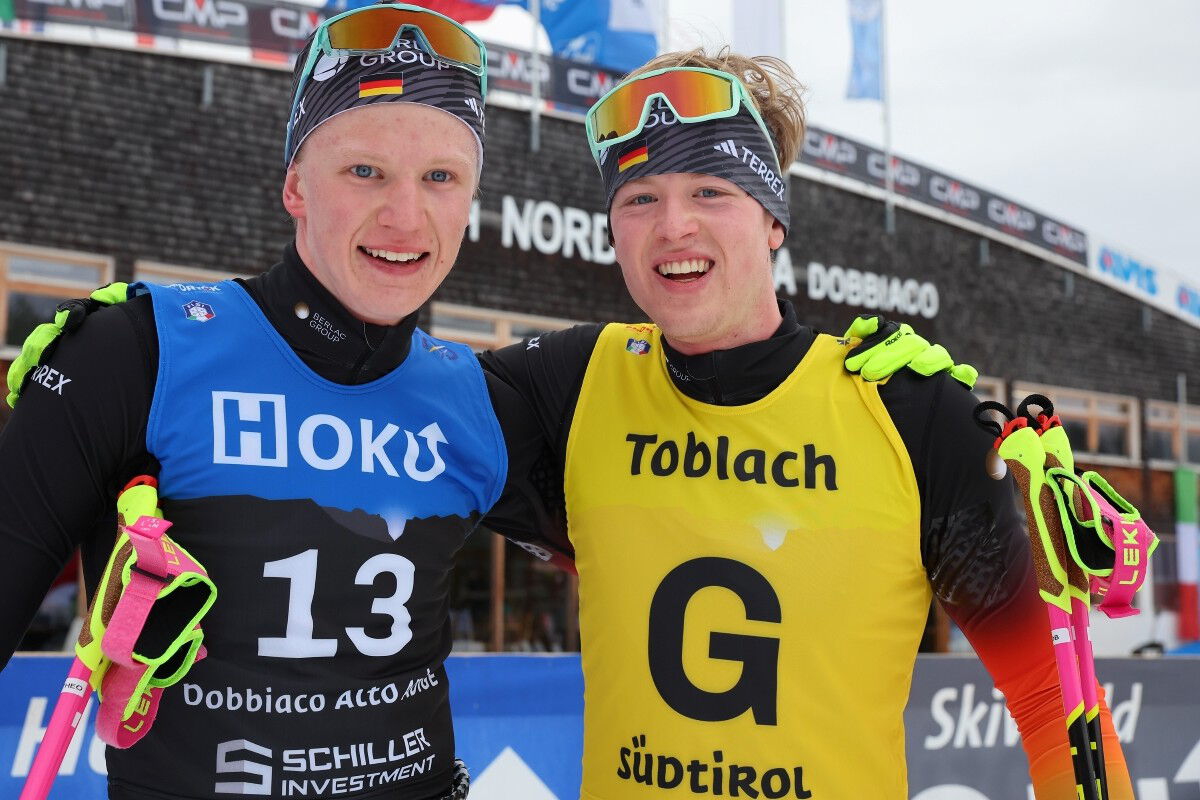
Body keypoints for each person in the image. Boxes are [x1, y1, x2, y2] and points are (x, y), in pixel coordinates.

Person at [0, 6, 963, 799]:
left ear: (470, 201)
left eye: (441, 178)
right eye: (364, 171)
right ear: (295, 184)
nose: (404, 215)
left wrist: (880, 400)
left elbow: (686, 493)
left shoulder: (476, 399)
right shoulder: (139, 354)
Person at [474, 50, 1137, 798]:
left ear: (773, 221)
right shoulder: (571, 385)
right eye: (639, 198)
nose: (673, 225)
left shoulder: (908, 412)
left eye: (710, 190)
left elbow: (1054, 700)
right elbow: (388, 397)